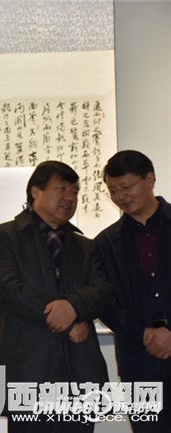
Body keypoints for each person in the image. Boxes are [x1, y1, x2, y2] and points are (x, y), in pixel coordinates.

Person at [0, 161, 111, 433]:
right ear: (35, 192)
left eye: (75, 191)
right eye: (61, 188)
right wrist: (66, 321)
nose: (70, 197)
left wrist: (73, 307)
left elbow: (102, 290)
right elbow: (7, 288)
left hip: (80, 370)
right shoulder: (2, 236)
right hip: (28, 368)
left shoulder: (85, 246)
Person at [95, 150, 170, 432]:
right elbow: (105, 301)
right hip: (138, 359)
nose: (120, 197)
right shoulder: (105, 242)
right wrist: (145, 333)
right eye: (113, 191)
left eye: (126, 187)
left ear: (150, 179)